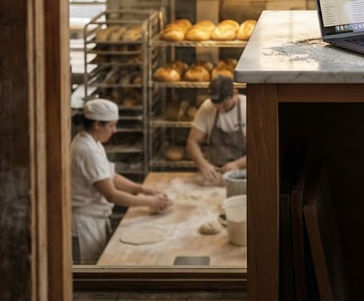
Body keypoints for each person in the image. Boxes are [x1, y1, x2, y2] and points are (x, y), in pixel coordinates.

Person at [70, 98, 171, 264]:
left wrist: (142, 189)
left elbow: (111, 176)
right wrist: (150, 201)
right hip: (83, 225)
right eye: (111, 125)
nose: (114, 131)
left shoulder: (92, 142)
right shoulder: (86, 150)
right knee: (86, 279)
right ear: (97, 124)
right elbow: (111, 194)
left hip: (94, 219)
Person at [185, 74, 247, 182]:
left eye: (225, 106)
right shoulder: (207, 107)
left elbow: (262, 149)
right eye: (217, 107)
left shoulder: (249, 106)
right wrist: (203, 165)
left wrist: (237, 164)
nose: (222, 110)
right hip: (215, 175)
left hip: (243, 175)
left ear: (235, 93)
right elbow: (192, 141)